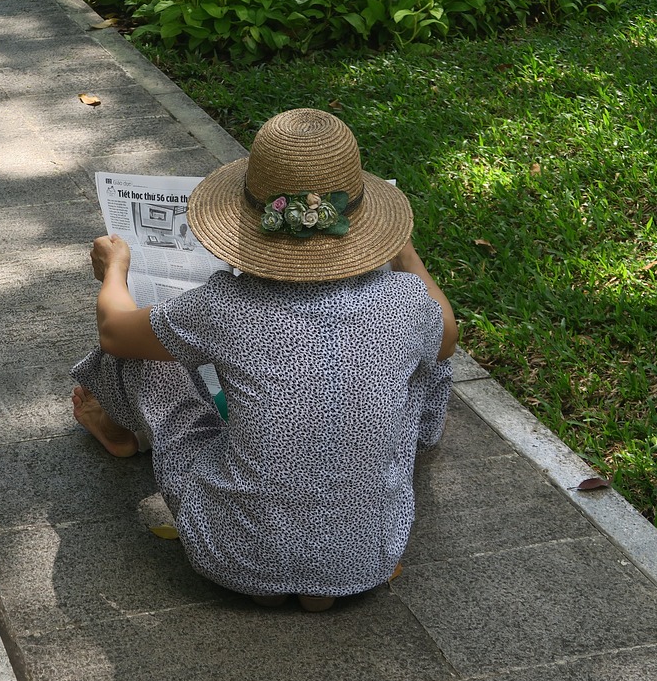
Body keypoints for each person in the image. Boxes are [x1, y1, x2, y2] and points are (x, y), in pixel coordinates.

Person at [71, 107, 457, 612]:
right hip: (370, 555)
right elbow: (448, 336)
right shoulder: (407, 302)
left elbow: (114, 332)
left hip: (232, 553)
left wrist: (115, 272)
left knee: (148, 356)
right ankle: (329, 567)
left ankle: (121, 432)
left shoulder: (223, 304)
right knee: (431, 356)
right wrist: (405, 254)